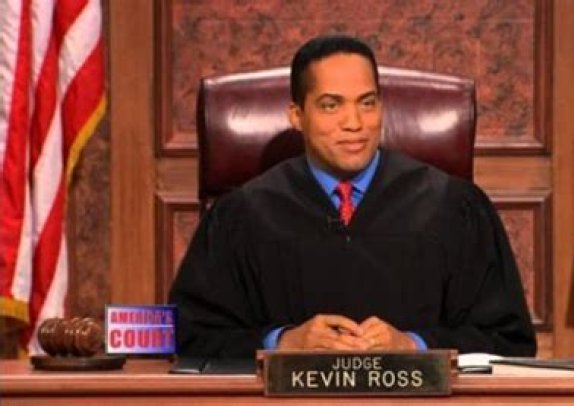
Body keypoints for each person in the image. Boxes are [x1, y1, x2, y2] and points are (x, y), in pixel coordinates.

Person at [169, 35, 537, 357]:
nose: (354, 123)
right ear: (297, 115)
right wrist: (281, 342)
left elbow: (507, 339)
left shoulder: (452, 206)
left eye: (367, 102)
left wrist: (415, 346)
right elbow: (191, 335)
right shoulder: (243, 215)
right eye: (331, 105)